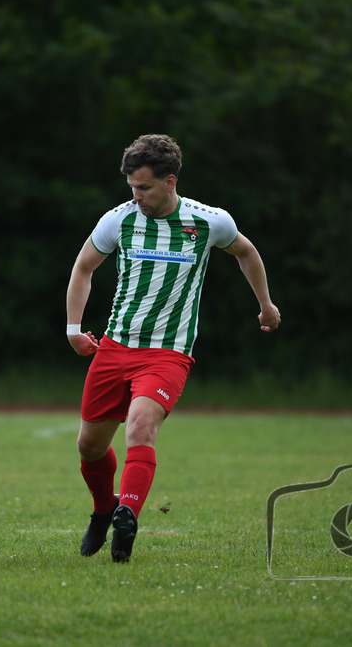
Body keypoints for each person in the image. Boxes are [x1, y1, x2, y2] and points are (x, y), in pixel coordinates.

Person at [65, 134, 281, 562]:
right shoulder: (119, 220)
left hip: (168, 353)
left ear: (170, 181)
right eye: (131, 188)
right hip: (115, 347)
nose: (136, 197)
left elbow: (247, 252)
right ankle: (104, 509)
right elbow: (84, 267)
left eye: (144, 188)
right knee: (89, 446)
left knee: (141, 428)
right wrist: (73, 327)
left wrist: (266, 304)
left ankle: (127, 515)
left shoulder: (208, 221)